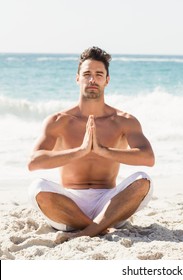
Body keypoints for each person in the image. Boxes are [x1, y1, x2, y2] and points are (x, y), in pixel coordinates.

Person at [27, 46, 155, 243]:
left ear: (107, 80)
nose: (92, 80)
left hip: (110, 203)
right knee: (37, 188)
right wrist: (80, 151)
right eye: (87, 74)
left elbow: (148, 158)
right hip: (69, 204)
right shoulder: (59, 120)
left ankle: (88, 230)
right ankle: (98, 228)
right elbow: (34, 162)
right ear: (77, 78)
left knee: (144, 179)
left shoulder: (123, 120)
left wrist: (104, 151)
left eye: (98, 74)